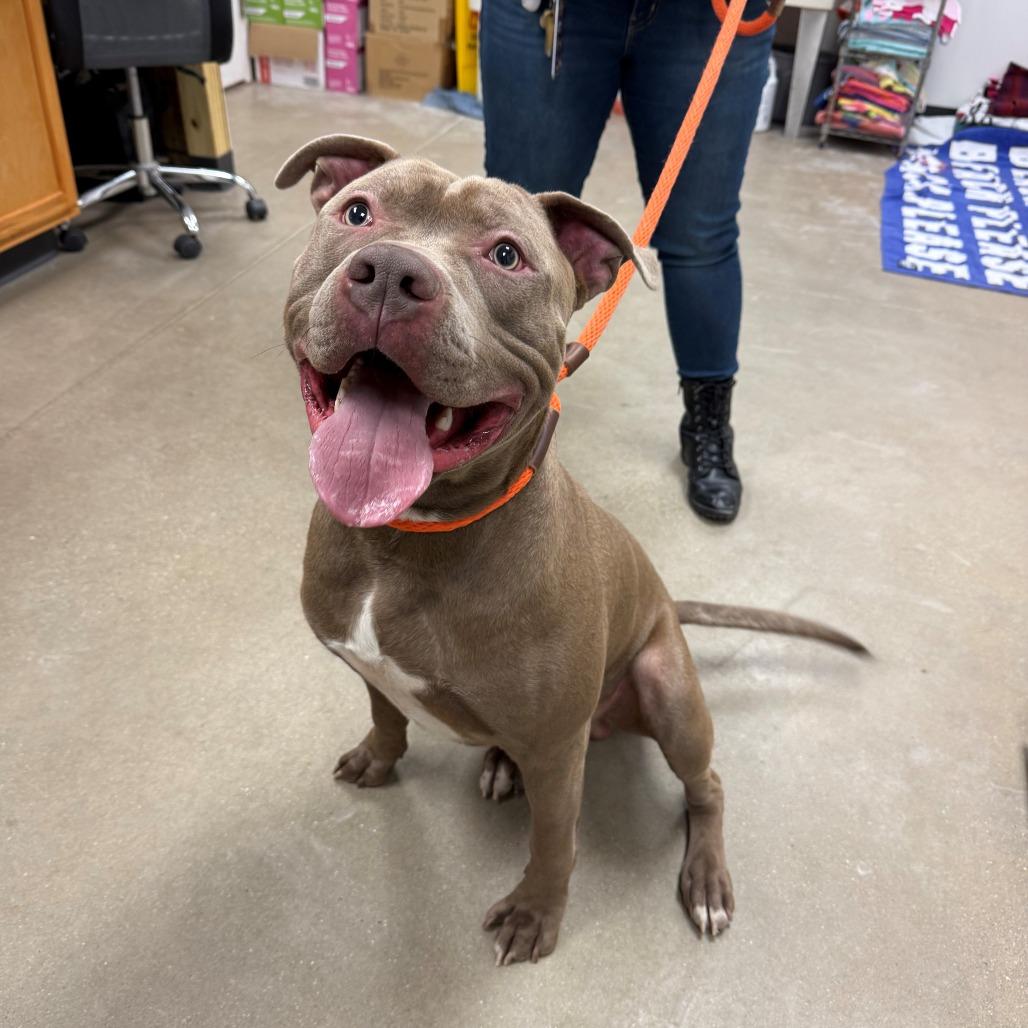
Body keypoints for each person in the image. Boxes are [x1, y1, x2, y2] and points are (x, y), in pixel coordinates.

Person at [479, 0, 777, 523]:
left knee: (700, 235)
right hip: (553, 12)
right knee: (509, 229)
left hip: (704, 18)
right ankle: (477, 411)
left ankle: (707, 425)